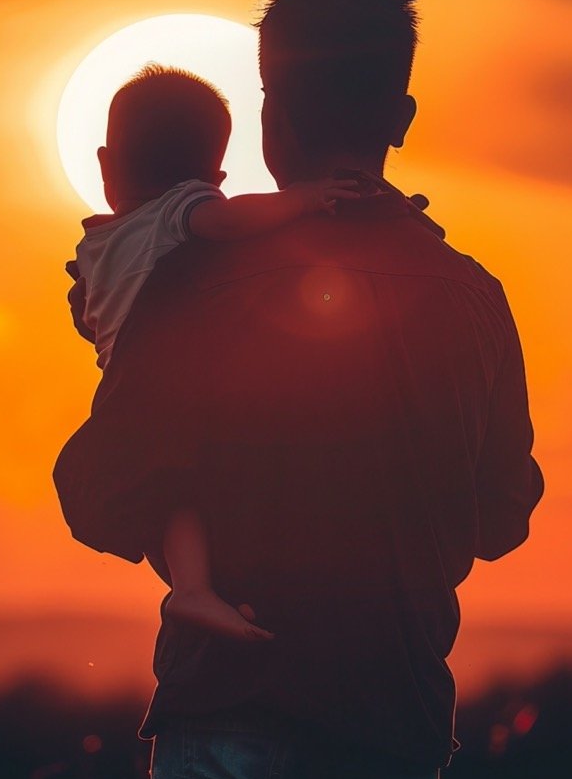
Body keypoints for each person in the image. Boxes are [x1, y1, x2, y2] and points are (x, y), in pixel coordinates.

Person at [55, 0, 544, 779]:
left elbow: (103, 494)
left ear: (270, 113)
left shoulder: (196, 281)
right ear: (399, 118)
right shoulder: (473, 299)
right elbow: (502, 514)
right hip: (394, 715)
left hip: (233, 707)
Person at [66, 62, 358, 643]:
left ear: (104, 166)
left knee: (168, 499)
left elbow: (87, 317)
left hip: (121, 392)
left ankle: (191, 589)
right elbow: (226, 223)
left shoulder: (96, 242)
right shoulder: (183, 209)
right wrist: (300, 201)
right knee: (186, 487)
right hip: (165, 388)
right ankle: (195, 592)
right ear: (215, 174)